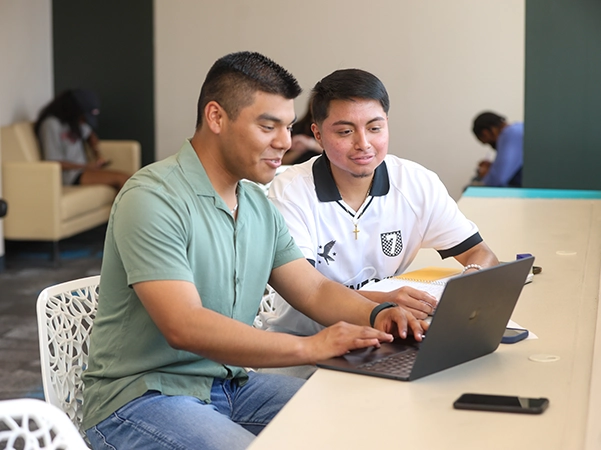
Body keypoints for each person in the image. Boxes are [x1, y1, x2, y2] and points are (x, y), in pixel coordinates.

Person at [81, 52, 427, 450]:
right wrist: (310, 346)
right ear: (216, 117)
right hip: (142, 399)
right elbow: (184, 325)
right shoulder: (153, 197)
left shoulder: (256, 203)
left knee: (360, 420)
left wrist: (380, 315)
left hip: (228, 385)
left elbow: (312, 289)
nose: (285, 142)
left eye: (288, 127)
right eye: (268, 126)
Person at [261, 69, 499, 377]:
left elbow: (482, 254)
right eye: (345, 132)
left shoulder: (417, 183)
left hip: (384, 341)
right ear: (318, 134)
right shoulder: (291, 192)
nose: (364, 143)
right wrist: (387, 301)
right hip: (304, 346)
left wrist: (463, 289)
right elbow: (310, 292)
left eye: (375, 127)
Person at [34, 89, 130, 190]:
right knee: (122, 179)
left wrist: (97, 153)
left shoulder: (73, 123)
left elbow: (90, 135)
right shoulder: (51, 124)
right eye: (83, 117)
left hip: (83, 171)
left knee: (129, 178)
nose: (84, 121)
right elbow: (53, 161)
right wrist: (85, 166)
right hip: (69, 176)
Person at [470, 111, 523, 187]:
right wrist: (493, 167)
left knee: (471, 185)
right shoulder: (518, 129)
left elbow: (497, 180)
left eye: (488, 143)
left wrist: (485, 174)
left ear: (486, 133)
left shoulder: (510, 133)